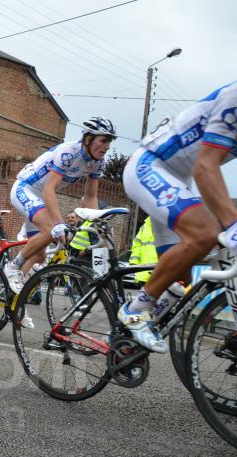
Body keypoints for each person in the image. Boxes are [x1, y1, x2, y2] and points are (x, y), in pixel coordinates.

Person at [118, 81, 237, 353]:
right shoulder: (235, 97)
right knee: (204, 234)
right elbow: (205, 167)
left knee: (181, 274)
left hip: (177, 178)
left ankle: (126, 344)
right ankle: (135, 311)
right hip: (150, 165)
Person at [4, 117, 117, 293]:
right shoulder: (69, 153)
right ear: (88, 139)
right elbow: (50, 189)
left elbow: (90, 196)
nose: (107, 146)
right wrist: (58, 224)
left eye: (109, 141)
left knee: (39, 256)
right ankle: (12, 267)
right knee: (51, 230)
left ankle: (15, 299)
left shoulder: (97, 162)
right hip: (25, 189)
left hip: (39, 198)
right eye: (103, 140)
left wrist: (98, 222)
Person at [128, 217, 157, 286]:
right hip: (143, 273)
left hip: (159, 273)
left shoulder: (168, 226)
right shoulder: (145, 227)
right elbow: (137, 245)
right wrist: (134, 263)